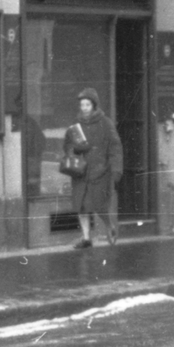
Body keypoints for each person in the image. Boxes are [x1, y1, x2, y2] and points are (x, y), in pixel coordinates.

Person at [67, 87, 123, 249]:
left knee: (100, 205)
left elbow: (115, 147)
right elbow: (68, 144)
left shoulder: (105, 123)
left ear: (94, 106)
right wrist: (75, 149)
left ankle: (110, 226)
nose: (84, 108)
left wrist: (116, 169)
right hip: (81, 172)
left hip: (100, 172)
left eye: (87, 105)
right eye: (82, 105)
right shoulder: (76, 125)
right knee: (81, 206)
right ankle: (86, 238)